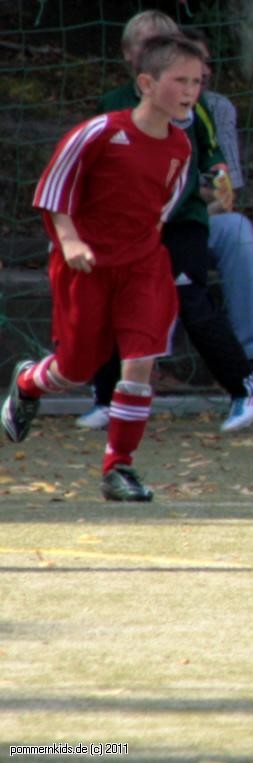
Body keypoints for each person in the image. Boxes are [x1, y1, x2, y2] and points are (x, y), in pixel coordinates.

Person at [2, 34, 200, 501]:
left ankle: (119, 469)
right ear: (147, 83)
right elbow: (53, 192)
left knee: (140, 362)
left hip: (144, 265)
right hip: (86, 267)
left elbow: (161, 209)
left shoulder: (181, 148)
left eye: (197, 81)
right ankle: (29, 382)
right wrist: (70, 242)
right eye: (180, 80)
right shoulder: (97, 133)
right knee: (75, 369)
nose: (190, 90)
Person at [77, 22, 253, 430]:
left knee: (189, 298)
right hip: (126, 230)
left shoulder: (190, 113)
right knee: (113, 303)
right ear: (134, 60)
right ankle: (107, 398)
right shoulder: (111, 107)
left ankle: (246, 389)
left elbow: (213, 162)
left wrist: (218, 181)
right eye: (151, 47)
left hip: (181, 225)